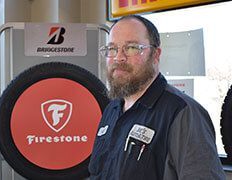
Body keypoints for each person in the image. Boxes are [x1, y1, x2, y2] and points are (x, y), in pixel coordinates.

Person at [88, 15, 225, 180]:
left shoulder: (182, 113)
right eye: (112, 49)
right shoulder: (112, 109)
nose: (119, 57)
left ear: (155, 54)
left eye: (131, 47)